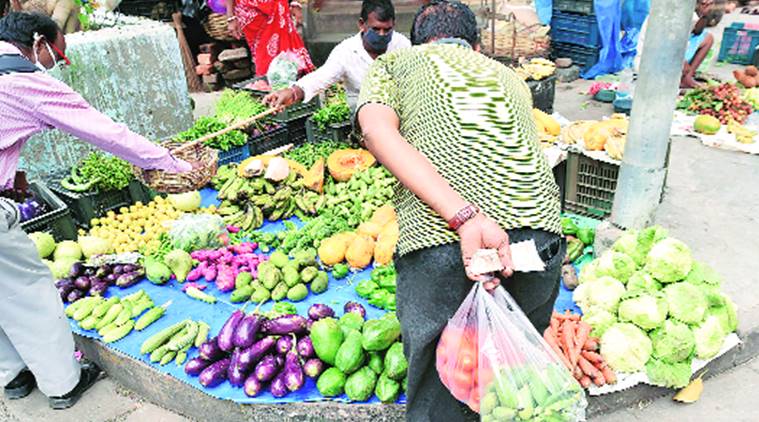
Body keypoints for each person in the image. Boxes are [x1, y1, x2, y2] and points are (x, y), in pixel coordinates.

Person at [355, 1, 564, 420]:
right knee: (514, 388)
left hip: (445, 243)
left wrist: (465, 216)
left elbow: (376, 132)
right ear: (476, 44)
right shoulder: (509, 76)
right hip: (539, 241)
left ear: (415, 41)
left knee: (443, 395)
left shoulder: (395, 64)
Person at [0, 12, 191, 409]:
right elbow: (104, 131)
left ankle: (13, 376)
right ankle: (63, 384)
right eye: (58, 54)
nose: (58, 64)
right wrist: (166, 160)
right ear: (38, 43)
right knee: (30, 290)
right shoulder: (24, 81)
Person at [263, 0, 410, 112]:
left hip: (399, 109)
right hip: (363, 112)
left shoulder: (402, 45)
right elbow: (321, 77)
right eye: (376, 29)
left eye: (387, 30)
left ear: (394, 25)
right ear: (361, 24)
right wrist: (292, 92)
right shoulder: (346, 51)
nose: (382, 35)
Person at [636, 0, 714, 88]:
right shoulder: (683, 12)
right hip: (652, 61)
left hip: (666, 52)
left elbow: (697, 32)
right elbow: (667, 43)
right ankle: (680, 80)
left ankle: (685, 78)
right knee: (683, 67)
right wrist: (682, 63)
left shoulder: (694, 14)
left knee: (708, 38)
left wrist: (704, 14)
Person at [225, 0, 315, 77]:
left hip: (279, 7)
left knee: (286, 46)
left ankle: (292, 86)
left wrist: (294, 2)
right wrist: (230, 17)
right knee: (263, 50)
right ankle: (270, 86)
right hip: (252, 11)